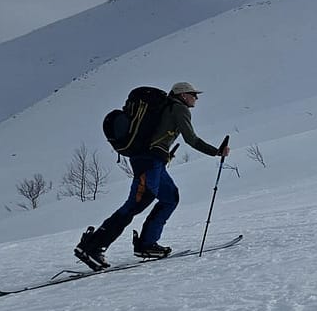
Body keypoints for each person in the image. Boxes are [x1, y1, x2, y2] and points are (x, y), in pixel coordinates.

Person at [75, 82, 230, 269]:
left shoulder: (167, 107)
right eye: (193, 94)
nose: (196, 98)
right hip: (149, 161)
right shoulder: (179, 109)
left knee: (170, 198)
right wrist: (216, 151)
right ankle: (92, 246)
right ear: (182, 95)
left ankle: (147, 244)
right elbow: (191, 139)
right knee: (136, 203)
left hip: (153, 161)